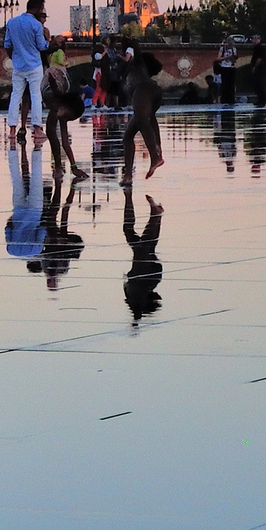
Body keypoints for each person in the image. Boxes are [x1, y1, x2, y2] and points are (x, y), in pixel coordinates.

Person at [3, 0, 49, 143]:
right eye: (41, 9)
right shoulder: (36, 25)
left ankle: (12, 129)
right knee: (36, 96)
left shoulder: (12, 22)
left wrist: (15, 57)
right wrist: (51, 43)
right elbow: (42, 46)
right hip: (34, 65)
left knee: (15, 96)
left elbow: (7, 44)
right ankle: (36, 128)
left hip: (18, 65)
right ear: (36, 9)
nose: (42, 11)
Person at [121, 40, 165, 178]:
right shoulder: (141, 71)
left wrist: (133, 44)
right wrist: (158, 143)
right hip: (153, 92)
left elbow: (138, 55)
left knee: (142, 120)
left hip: (143, 91)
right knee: (128, 136)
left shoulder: (137, 64)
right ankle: (128, 176)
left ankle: (154, 157)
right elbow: (152, 121)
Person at [122, 187, 164, 326]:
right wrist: (136, 317)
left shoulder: (139, 293)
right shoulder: (138, 294)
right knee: (144, 244)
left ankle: (156, 215)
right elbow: (137, 305)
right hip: (146, 273)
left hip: (148, 272)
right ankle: (155, 215)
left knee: (138, 239)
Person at [42, 60, 87, 180]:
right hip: (50, 80)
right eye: (67, 116)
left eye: (68, 119)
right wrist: (51, 77)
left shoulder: (62, 112)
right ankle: (57, 166)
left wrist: (74, 167)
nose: (65, 119)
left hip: (58, 81)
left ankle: (58, 166)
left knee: (51, 132)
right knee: (50, 132)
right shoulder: (56, 96)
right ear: (66, 105)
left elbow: (65, 143)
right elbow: (55, 87)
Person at [216, 36, 238, 106]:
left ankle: (231, 99)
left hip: (231, 67)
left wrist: (233, 58)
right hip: (224, 67)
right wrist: (227, 57)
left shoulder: (234, 49)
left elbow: (234, 59)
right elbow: (218, 59)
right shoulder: (223, 49)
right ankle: (224, 99)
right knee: (225, 84)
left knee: (231, 84)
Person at [249, 35, 266, 107]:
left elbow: (259, 58)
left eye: (253, 39)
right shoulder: (257, 48)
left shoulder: (259, 48)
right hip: (259, 68)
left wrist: (255, 67)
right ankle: (261, 99)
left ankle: (262, 99)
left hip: (259, 68)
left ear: (257, 39)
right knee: (257, 84)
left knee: (259, 84)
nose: (252, 41)